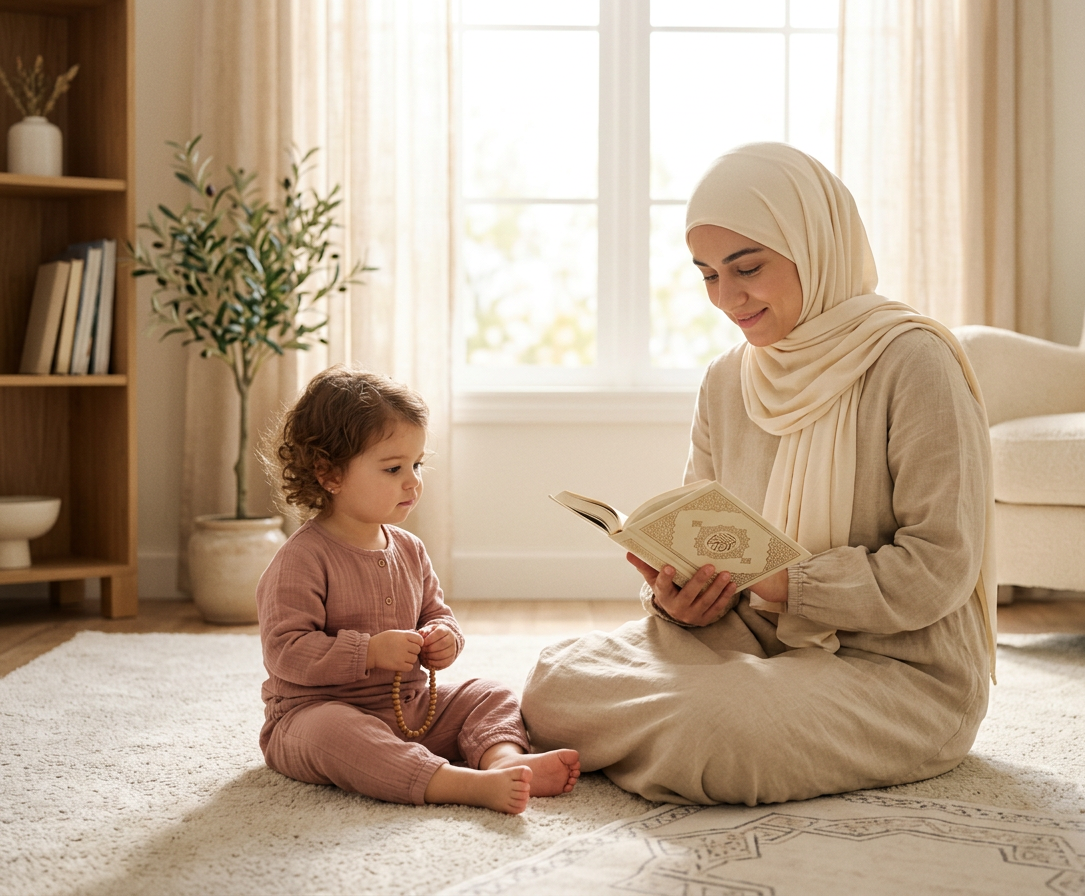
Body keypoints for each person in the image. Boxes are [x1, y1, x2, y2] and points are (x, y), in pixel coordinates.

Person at [521, 143, 997, 806]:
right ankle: (703, 723)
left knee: (721, 726)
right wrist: (677, 599)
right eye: (708, 274)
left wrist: (785, 581)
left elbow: (940, 568)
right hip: (748, 640)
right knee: (556, 681)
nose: (726, 297)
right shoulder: (726, 379)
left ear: (814, 246)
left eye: (747, 268)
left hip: (898, 671)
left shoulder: (916, 363)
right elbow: (701, 528)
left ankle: (692, 729)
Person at [257, 365, 580, 814]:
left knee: (488, 692)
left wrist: (443, 638)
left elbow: (436, 613)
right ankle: (457, 784)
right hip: (313, 715)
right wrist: (369, 652)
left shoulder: (409, 548)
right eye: (393, 468)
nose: (412, 480)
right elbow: (285, 651)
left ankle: (504, 762)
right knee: (337, 731)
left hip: (409, 709)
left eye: (417, 464)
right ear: (329, 474)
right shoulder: (302, 558)